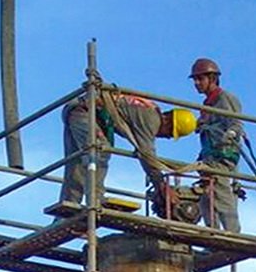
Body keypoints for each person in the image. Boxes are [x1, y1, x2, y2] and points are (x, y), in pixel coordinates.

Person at [52, 90, 195, 212]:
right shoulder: (152, 119)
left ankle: (68, 208)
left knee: (77, 163)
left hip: (82, 110)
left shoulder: (148, 109)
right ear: (168, 121)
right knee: (100, 151)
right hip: (86, 111)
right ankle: (95, 201)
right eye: (169, 133)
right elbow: (146, 154)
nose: (165, 137)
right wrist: (161, 185)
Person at [188, 57, 242, 232]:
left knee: (221, 196)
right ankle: (213, 234)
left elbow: (236, 124)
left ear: (212, 78)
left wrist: (228, 135)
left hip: (221, 156)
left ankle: (233, 235)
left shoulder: (225, 98)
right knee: (206, 200)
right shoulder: (208, 103)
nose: (196, 83)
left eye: (200, 79)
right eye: (195, 79)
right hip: (209, 157)